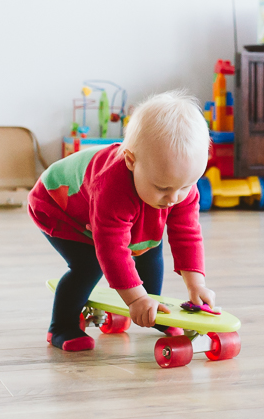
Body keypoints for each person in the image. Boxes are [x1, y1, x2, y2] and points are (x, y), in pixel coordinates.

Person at [28, 89, 213, 351]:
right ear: (130, 161)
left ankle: (155, 310)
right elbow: (112, 248)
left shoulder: (180, 186)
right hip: (60, 205)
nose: (174, 198)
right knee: (89, 264)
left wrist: (197, 285)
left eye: (186, 186)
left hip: (106, 208)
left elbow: (187, 234)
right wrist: (135, 299)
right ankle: (61, 326)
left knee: (150, 246)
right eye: (162, 187)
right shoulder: (111, 187)